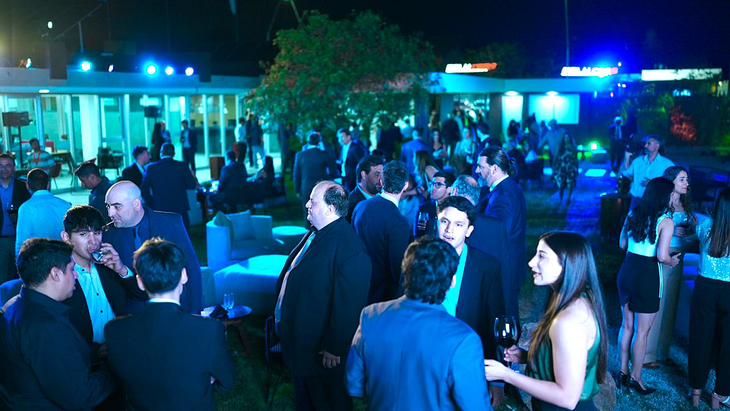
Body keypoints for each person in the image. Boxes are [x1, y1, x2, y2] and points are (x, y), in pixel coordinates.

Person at [346, 237, 492, 411]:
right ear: (452, 281)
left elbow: (354, 384)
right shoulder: (463, 339)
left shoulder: (371, 315)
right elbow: (475, 407)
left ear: (406, 273)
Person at [485, 232, 609, 411]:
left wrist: (506, 374)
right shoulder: (577, 299)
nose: (531, 262)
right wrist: (529, 357)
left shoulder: (568, 322)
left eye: (542, 256)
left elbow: (567, 398)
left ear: (567, 264)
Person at [274, 181, 372, 410]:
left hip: (320, 352)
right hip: (303, 344)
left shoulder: (350, 249)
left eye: (313, 201)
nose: (307, 205)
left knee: (327, 402)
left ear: (330, 209)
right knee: (305, 400)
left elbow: (349, 304)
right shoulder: (315, 233)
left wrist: (334, 346)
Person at [105, 238, 235, 410]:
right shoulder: (209, 330)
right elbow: (227, 382)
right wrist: (202, 380)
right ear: (184, 275)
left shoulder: (115, 330)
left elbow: (120, 376)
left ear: (140, 282)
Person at [0, 239, 116, 409]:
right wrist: (115, 366)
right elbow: (80, 396)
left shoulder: (12, 305)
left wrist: (96, 351)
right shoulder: (46, 325)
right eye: (72, 269)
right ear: (55, 274)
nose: (76, 275)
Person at [437, 196, 506, 408]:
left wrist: (497, 380)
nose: (449, 230)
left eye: (459, 225)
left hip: (467, 360)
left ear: (469, 230)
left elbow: (495, 322)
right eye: (444, 221)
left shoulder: (487, 267)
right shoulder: (416, 258)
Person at [617, 177, 681, 395]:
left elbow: (622, 244)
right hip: (647, 275)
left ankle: (623, 371)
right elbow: (662, 256)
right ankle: (636, 377)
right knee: (642, 331)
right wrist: (672, 261)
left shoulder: (633, 213)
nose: (675, 197)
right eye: (673, 193)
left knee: (627, 326)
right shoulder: (666, 221)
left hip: (627, 270)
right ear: (665, 195)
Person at [104, 181, 203, 314]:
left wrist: (196, 311)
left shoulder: (171, 222)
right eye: (108, 206)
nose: (110, 213)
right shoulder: (107, 234)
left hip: (176, 309)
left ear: (136, 204)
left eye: (117, 207)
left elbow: (191, 267)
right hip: (133, 315)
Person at [61, 205, 146, 357]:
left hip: (121, 351)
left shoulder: (110, 266)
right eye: (83, 234)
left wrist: (122, 270)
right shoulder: (61, 275)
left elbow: (143, 295)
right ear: (66, 237)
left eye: (97, 233)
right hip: (83, 358)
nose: (93, 241)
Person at [644, 166, 698, 368]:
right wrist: (673, 232)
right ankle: (648, 353)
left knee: (671, 305)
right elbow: (653, 229)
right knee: (658, 303)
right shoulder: (661, 203)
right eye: (682, 179)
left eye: (687, 179)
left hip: (679, 256)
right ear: (671, 181)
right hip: (663, 254)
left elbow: (690, 233)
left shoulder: (685, 205)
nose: (686, 183)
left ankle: (662, 351)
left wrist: (690, 231)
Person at [475, 147, 527, 326]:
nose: (477, 171)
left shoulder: (503, 194)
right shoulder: (507, 187)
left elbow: (498, 232)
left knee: (505, 318)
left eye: (481, 167)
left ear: (494, 168)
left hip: (505, 268)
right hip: (510, 264)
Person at [689, 188, 730, 408]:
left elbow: (693, 234)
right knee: (728, 345)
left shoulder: (705, 226)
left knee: (700, 339)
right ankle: (720, 394)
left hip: (705, 288)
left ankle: (696, 392)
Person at [352, 161, 411, 304]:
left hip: (357, 281)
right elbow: (398, 268)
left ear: (382, 182)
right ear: (405, 185)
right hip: (382, 294)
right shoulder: (399, 223)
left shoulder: (361, 206)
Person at [14, 168, 71, 257]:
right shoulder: (65, 204)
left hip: (39, 259)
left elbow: (22, 241)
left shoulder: (26, 207)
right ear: (48, 185)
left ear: (27, 185)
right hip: (64, 256)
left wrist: (18, 260)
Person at [141, 143, 197, 230]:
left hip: (160, 208)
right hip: (180, 208)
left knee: (163, 235)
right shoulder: (182, 166)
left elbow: (144, 189)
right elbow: (192, 185)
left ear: (161, 153)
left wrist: (152, 203)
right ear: (174, 154)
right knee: (182, 234)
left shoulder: (151, 168)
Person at [620, 134, 674, 207]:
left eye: (648, 143)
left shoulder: (667, 164)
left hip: (654, 202)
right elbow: (625, 173)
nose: (645, 146)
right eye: (645, 143)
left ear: (657, 146)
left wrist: (654, 183)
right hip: (636, 201)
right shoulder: (638, 161)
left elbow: (672, 183)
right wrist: (626, 158)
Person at [0, 154, 31, 282]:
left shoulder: (23, 187)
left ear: (14, 168)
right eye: (0, 166)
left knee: (23, 275)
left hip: (20, 239)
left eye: (8, 166)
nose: (3, 169)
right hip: (1, 240)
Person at [294, 132, 335, 219]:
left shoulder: (300, 155)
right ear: (319, 142)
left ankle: (308, 227)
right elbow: (332, 170)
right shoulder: (324, 154)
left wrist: (297, 189)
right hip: (321, 186)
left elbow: (296, 174)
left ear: (308, 142)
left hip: (306, 186)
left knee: (307, 213)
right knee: (322, 212)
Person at [414, 171, 454, 238]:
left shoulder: (454, 209)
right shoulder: (424, 208)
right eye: (432, 184)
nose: (433, 188)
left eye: (438, 185)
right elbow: (418, 236)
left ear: (449, 189)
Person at [347, 155, 384, 222]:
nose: (381, 179)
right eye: (377, 174)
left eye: (383, 175)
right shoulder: (350, 204)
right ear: (363, 175)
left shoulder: (384, 198)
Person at [552, 132, 579, 205]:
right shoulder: (560, 147)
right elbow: (555, 157)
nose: (566, 139)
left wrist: (577, 168)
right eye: (565, 137)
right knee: (561, 184)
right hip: (561, 167)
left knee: (570, 183)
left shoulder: (573, 147)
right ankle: (561, 197)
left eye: (568, 137)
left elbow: (575, 158)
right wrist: (554, 166)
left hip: (570, 167)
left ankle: (568, 198)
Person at [337, 128, 367, 192]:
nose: (340, 140)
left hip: (353, 178)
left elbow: (361, 162)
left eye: (342, 137)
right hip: (344, 176)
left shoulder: (355, 148)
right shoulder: (343, 148)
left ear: (348, 137)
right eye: (339, 138)